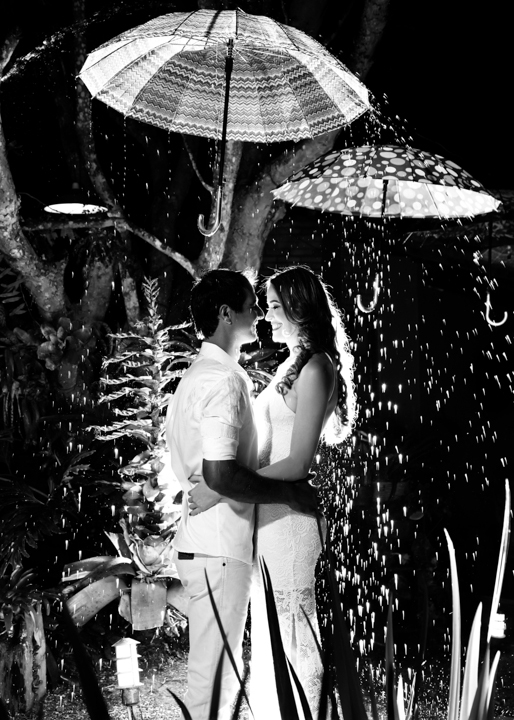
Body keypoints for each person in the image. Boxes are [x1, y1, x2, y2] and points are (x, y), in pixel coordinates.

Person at [166, 269, 318, 720]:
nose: (259, 315)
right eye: (252, 306)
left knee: (218, 677)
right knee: (216, 683)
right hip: (219, 548)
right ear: (226, 314)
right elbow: (220, 473)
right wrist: (287, 495)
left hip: (203, 543)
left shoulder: (195, 376)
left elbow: (202, 469)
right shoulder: (223, 380)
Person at [249, 266, 356, 719]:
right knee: (272, 633)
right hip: (270, 517)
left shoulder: (316, 369)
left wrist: (233, 486)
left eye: (275, 306)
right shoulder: (294, 365)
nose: (266, 315)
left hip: (290, 524)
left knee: (295, 635)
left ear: (299, 309)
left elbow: (297, 463)